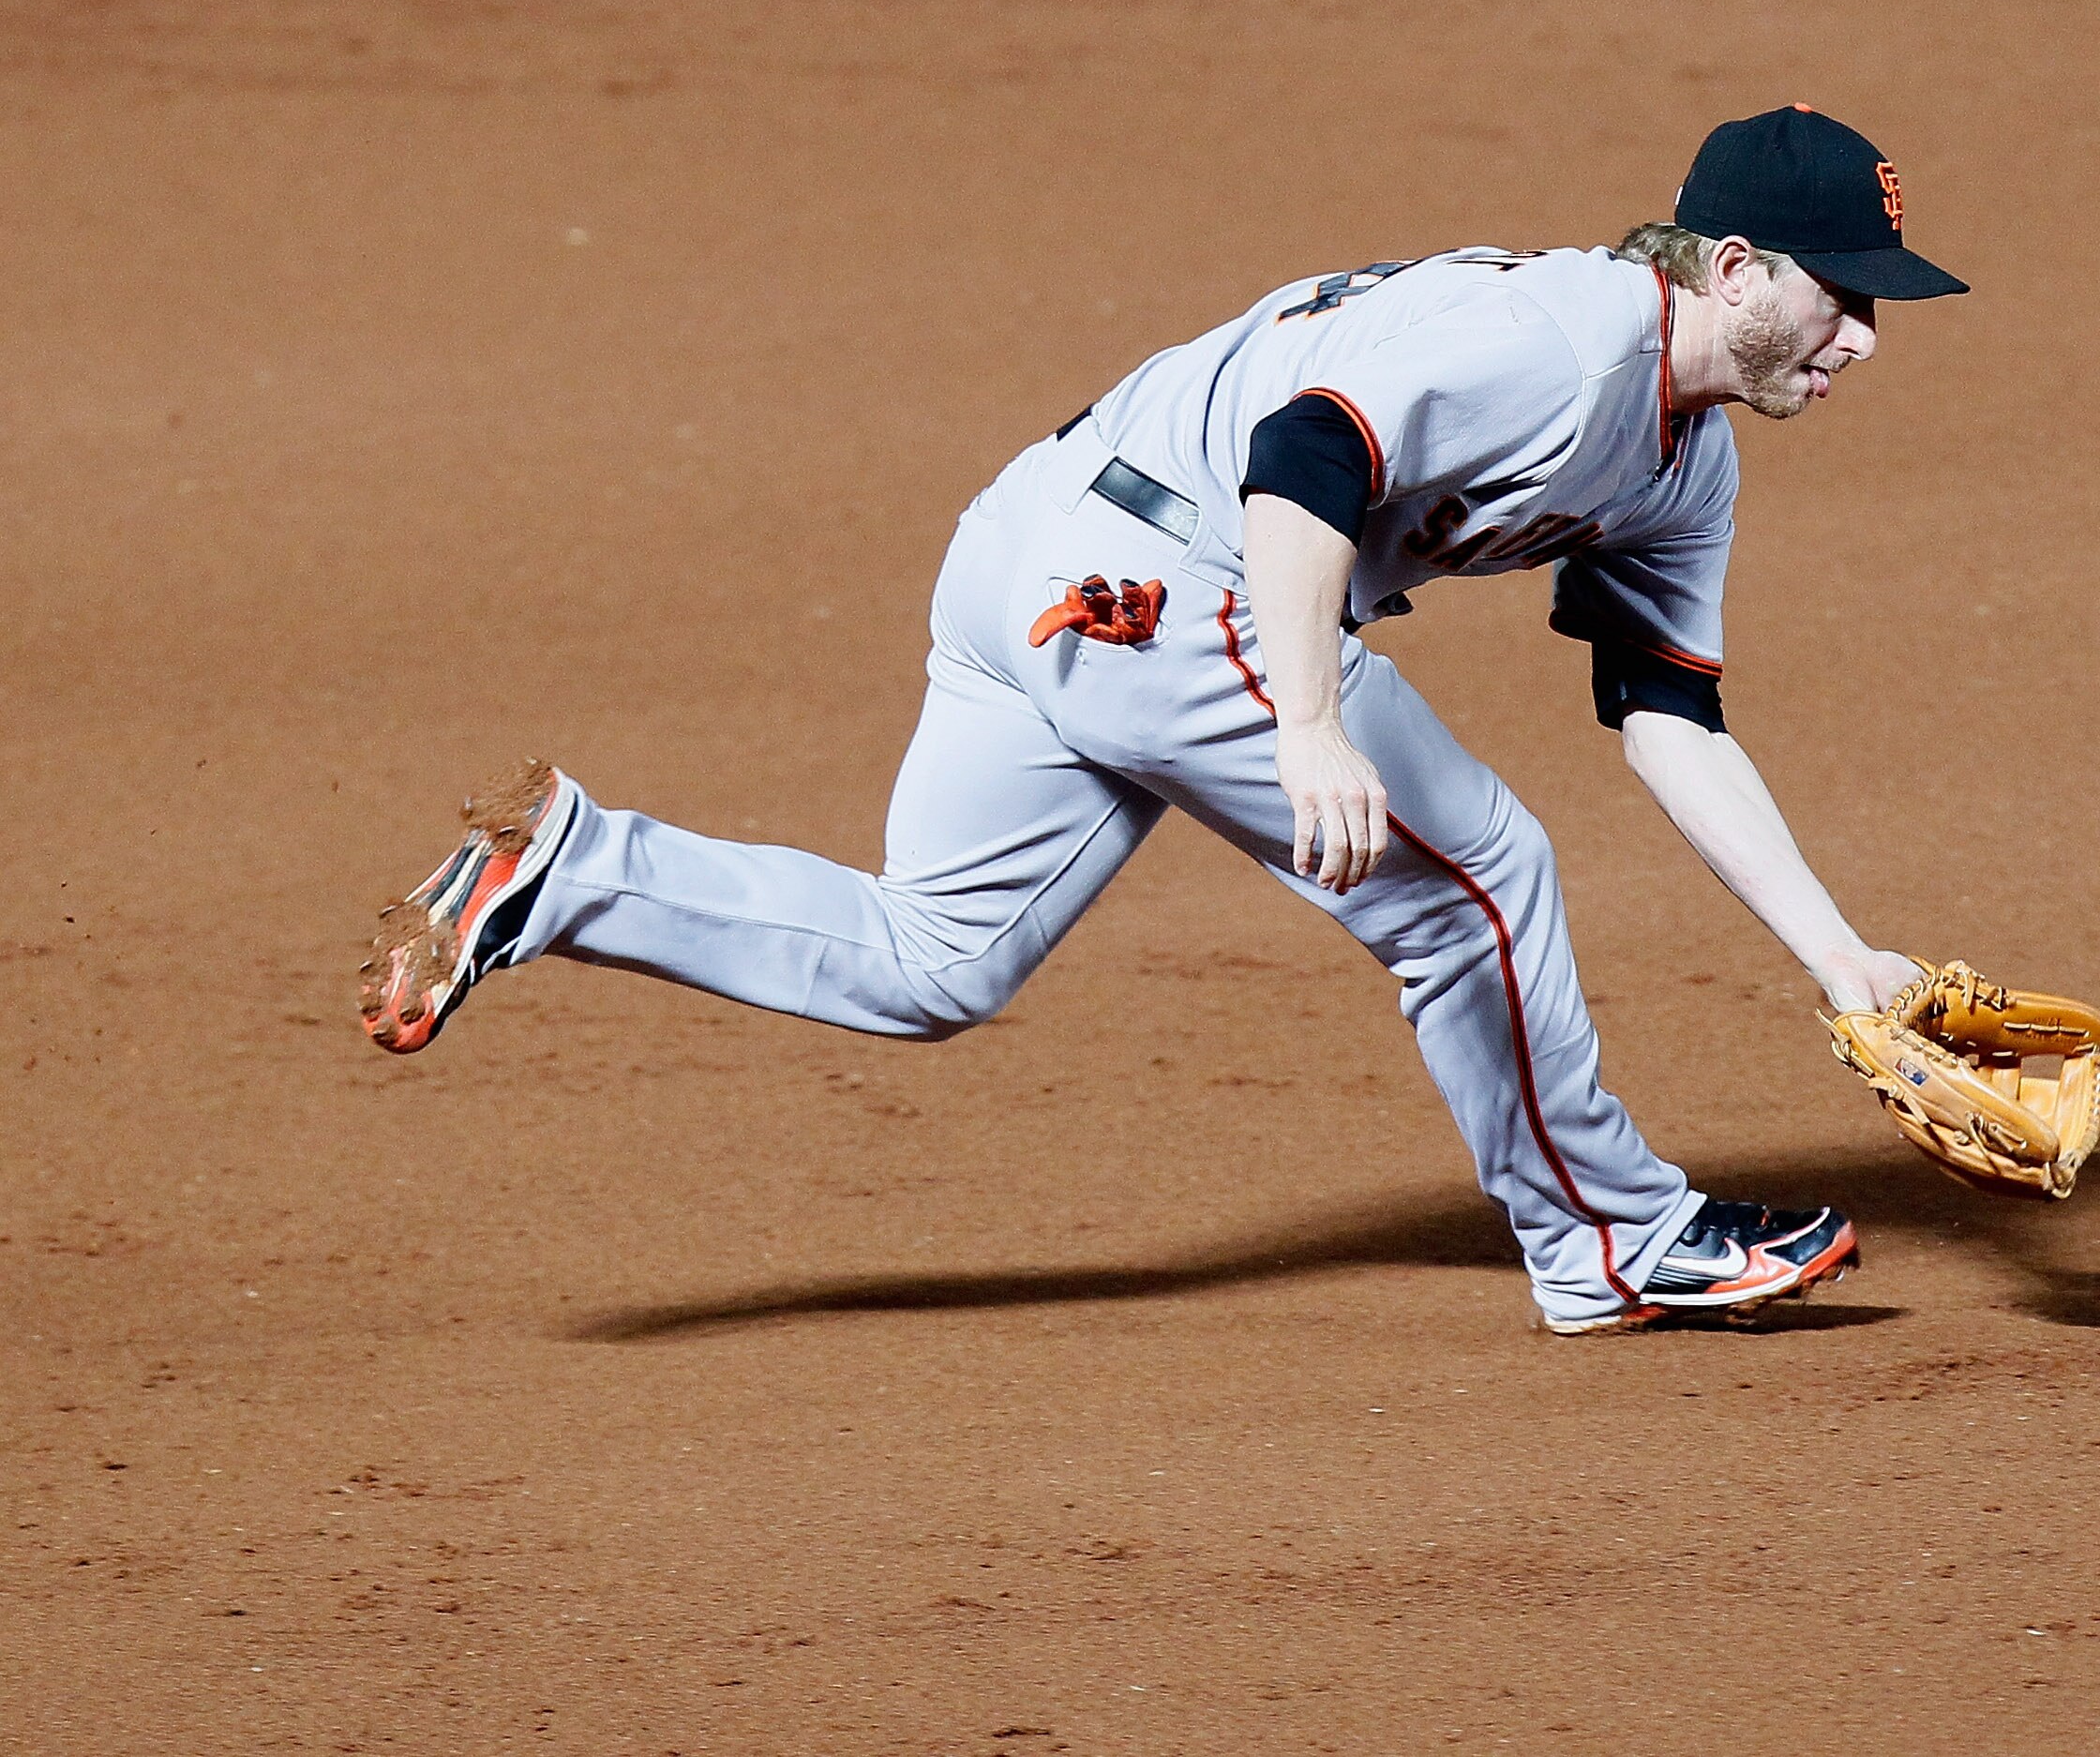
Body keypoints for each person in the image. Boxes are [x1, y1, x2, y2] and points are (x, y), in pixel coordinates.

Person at [359, 106, 1964, 1334]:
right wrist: (1312, 723)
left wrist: (1845, 961)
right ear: (1734, 268)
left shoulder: (1689, 462)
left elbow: (1668, 712)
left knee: (937, 960)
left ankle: (571, 871)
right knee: (1479, 873)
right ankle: (1607, 1239)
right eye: (1844, 298)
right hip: (1161, 574)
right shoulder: (1560, 342)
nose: (1867, 341)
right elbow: (1306, 457)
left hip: (1037, 554)